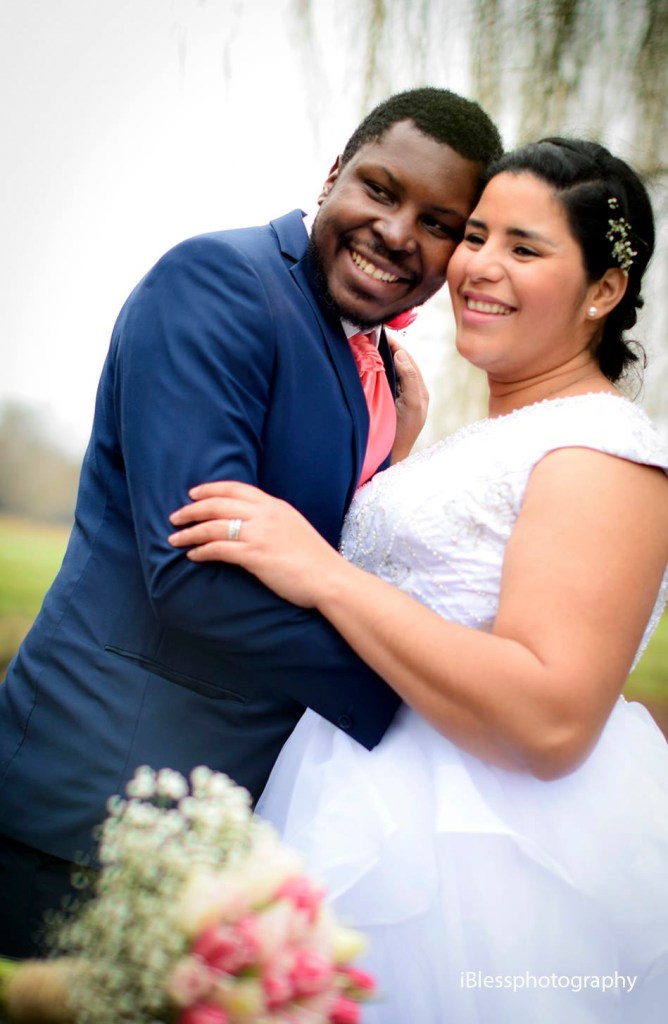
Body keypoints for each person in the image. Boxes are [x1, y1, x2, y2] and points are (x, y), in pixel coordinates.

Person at [168, 138, 668, 1022]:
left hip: (476, 862)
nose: (479, 266)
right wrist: (395, 456)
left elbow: (550, 721)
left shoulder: (601, 452)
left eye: (525, 247)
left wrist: (325, 574)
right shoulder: (502, 434)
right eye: (475, 236)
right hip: (356, 807)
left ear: (603, 290)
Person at [0, 87, 503, 958]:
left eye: (437, 223)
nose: (396, 233)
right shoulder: (220, 283)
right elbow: (190, 573)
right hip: (92, 806)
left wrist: (390, 453)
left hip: (231, 830)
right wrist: (414, 689)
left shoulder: (376, 365)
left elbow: (310, 540)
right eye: (381, 190)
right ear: (334, 174)